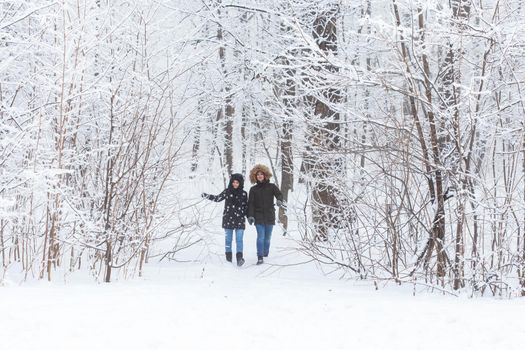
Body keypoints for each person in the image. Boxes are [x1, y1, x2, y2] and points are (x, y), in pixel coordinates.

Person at [202, 173, 248, 266]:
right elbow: (217, 198)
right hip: (228, 219)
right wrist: (206, 196)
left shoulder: (244, 194)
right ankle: (228, 259)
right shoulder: (227, 191)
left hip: (240, 219)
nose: (235, 184)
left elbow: (246, 207)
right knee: (228, 240)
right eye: (233, 182)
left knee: (239, 240)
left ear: (240, 183)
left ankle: (239, 258)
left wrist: (250, 216)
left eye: (237, 182)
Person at [247, 164, 283, 265]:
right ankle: (260, 256)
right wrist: (250, 215)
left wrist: (279, 200)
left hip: (269, 215)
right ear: (255, 176)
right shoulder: (253, 189)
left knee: (267, 238)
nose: (259, 176)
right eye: (258, 174)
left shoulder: (272, 187)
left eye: (261, 174)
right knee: (260, 237)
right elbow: (251, 204)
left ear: (265, 175)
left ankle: (265, 253)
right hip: (258, 216)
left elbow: (279, 194)